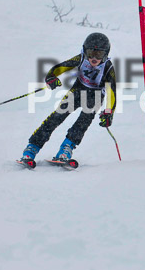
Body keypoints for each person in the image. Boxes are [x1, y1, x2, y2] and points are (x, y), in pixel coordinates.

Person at [19, 32, 116, 168]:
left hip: (95, 96)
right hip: (77, 91)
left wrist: (108, 112)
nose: (94, 58)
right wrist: (51, 77)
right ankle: (32, 148)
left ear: (105, 54)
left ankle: (66, 149)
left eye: (99, 54)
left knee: (83, 121)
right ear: (84, 50)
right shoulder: (81, 59)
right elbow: (60, 67)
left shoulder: (108, 68)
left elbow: (112, 92)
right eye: (90, 53)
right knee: (56, 117)